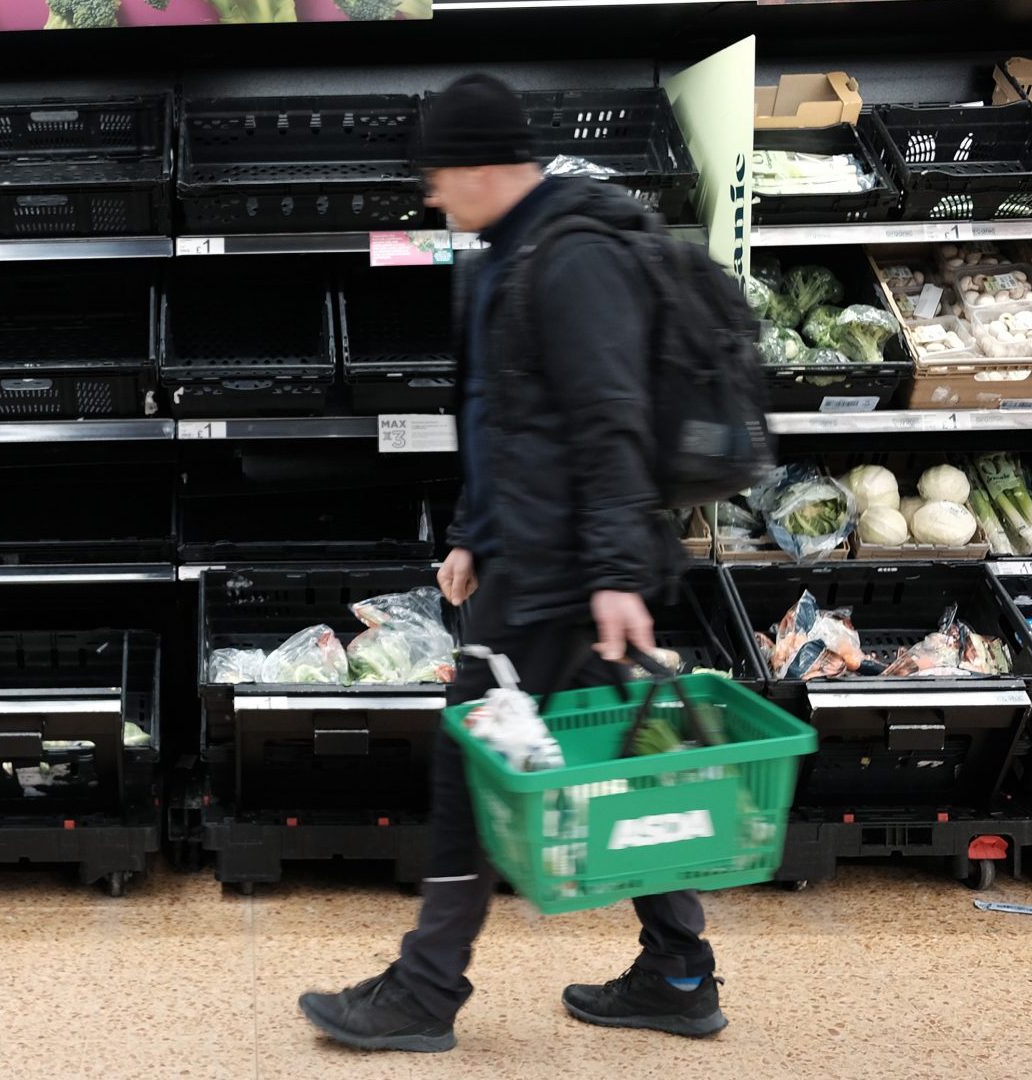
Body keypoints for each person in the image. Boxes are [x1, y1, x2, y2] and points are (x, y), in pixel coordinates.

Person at [297, 73, 723, 1053]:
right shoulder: (515, 248)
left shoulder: (570, 257)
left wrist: (614, 571)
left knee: (470, 755)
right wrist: (469, 529)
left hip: (568, 571)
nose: (431, 196)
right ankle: (679, 972)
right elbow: (506, 414)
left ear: (489, 166)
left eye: (440, 176)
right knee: (623, 762)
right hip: (538, 553)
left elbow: (607, 418)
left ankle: (425, 990)